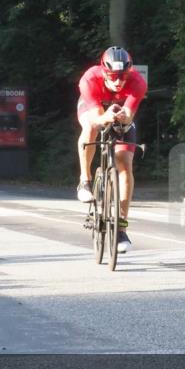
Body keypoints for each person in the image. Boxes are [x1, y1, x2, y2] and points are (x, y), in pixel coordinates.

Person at [76, 47, 147, 253]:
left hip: (120, 109)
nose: (118, 81)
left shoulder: (138, 82)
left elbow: (130, 115)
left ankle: (121, 227)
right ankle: (85, 181)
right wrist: (105, 117)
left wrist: (124, 118)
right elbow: (97, 118)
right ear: (103, 72)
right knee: (90, 127)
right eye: (113, 77)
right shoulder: (89, 80)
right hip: (94, 107)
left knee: (124, 162)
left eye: (123, 76)